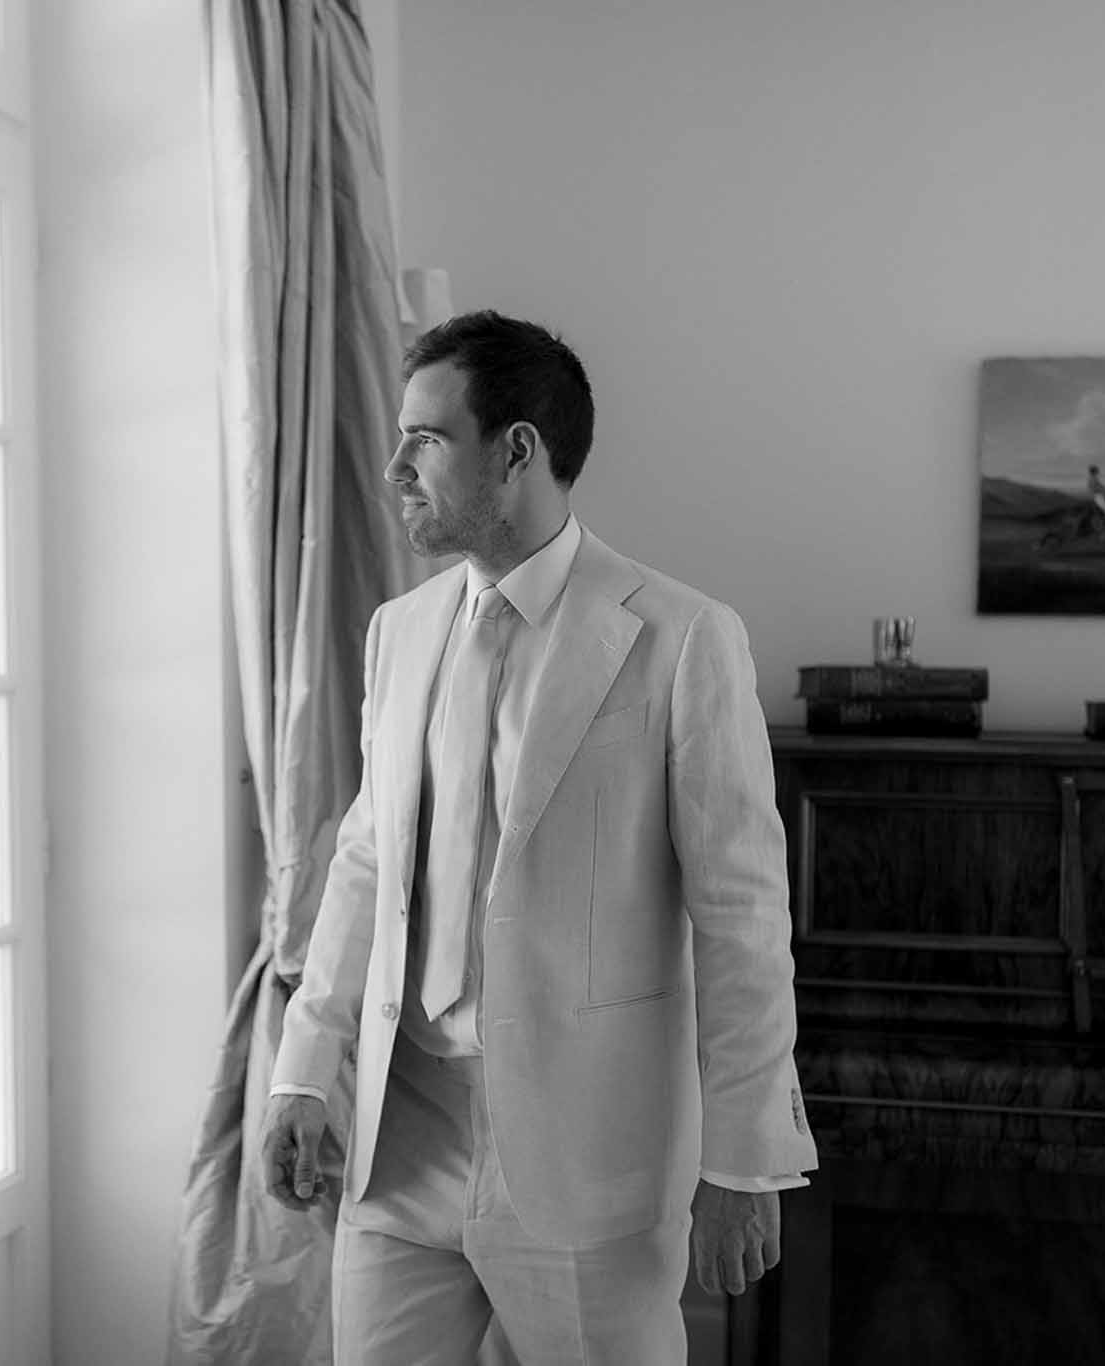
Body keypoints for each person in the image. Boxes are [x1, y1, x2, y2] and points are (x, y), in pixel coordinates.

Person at [261, 310, 816, 1364]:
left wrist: (744, 1161)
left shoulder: (683, 638)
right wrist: (304, 1068)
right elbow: (367, 862)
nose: (396, 468)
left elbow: (740, 916)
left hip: (586, 1157)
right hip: (398, 1141)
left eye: (426, 439)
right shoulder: (398, 631)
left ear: (516, 450)